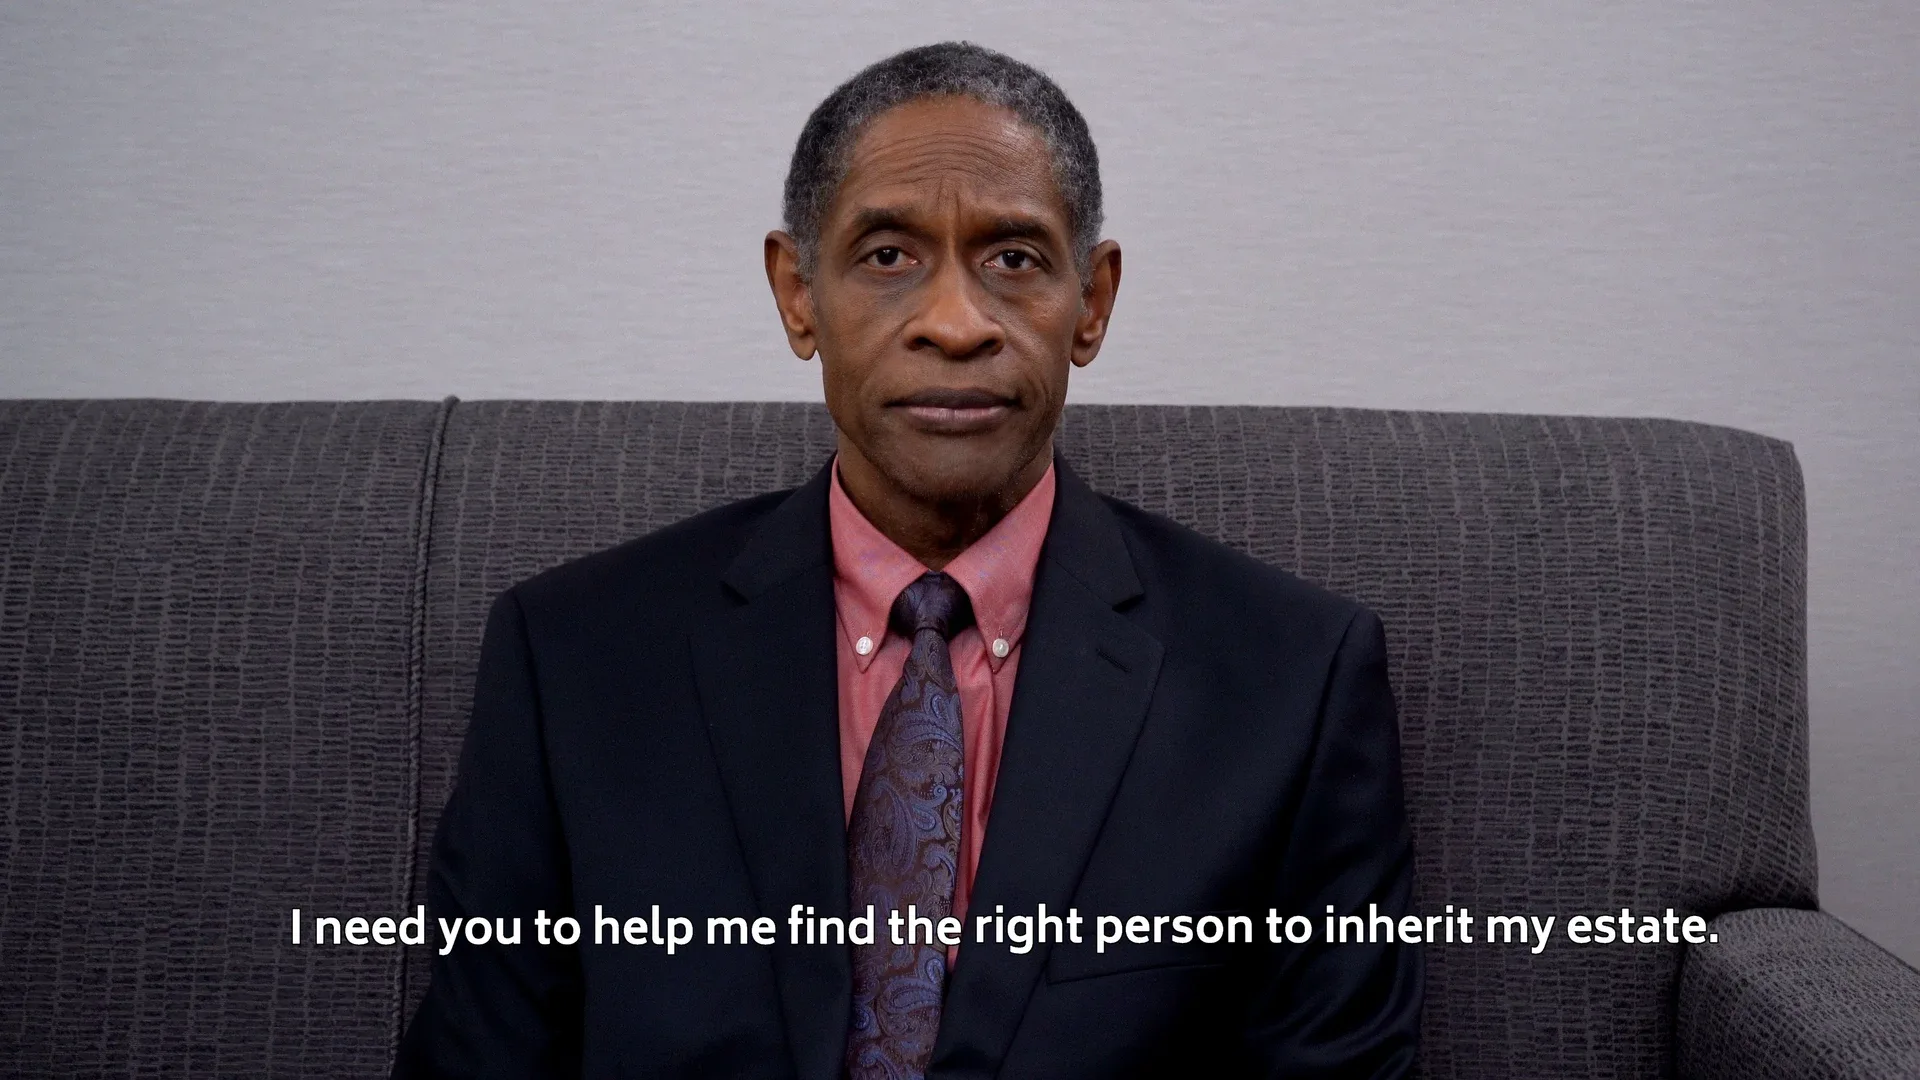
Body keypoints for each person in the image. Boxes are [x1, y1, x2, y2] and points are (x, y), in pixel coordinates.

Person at [393, 41, 1421, 1080]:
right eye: (887, 256)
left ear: (1092, 302)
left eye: (1014, 259)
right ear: (798, 294)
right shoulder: (573, 660)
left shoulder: (1292, 683)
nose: (954, 323)